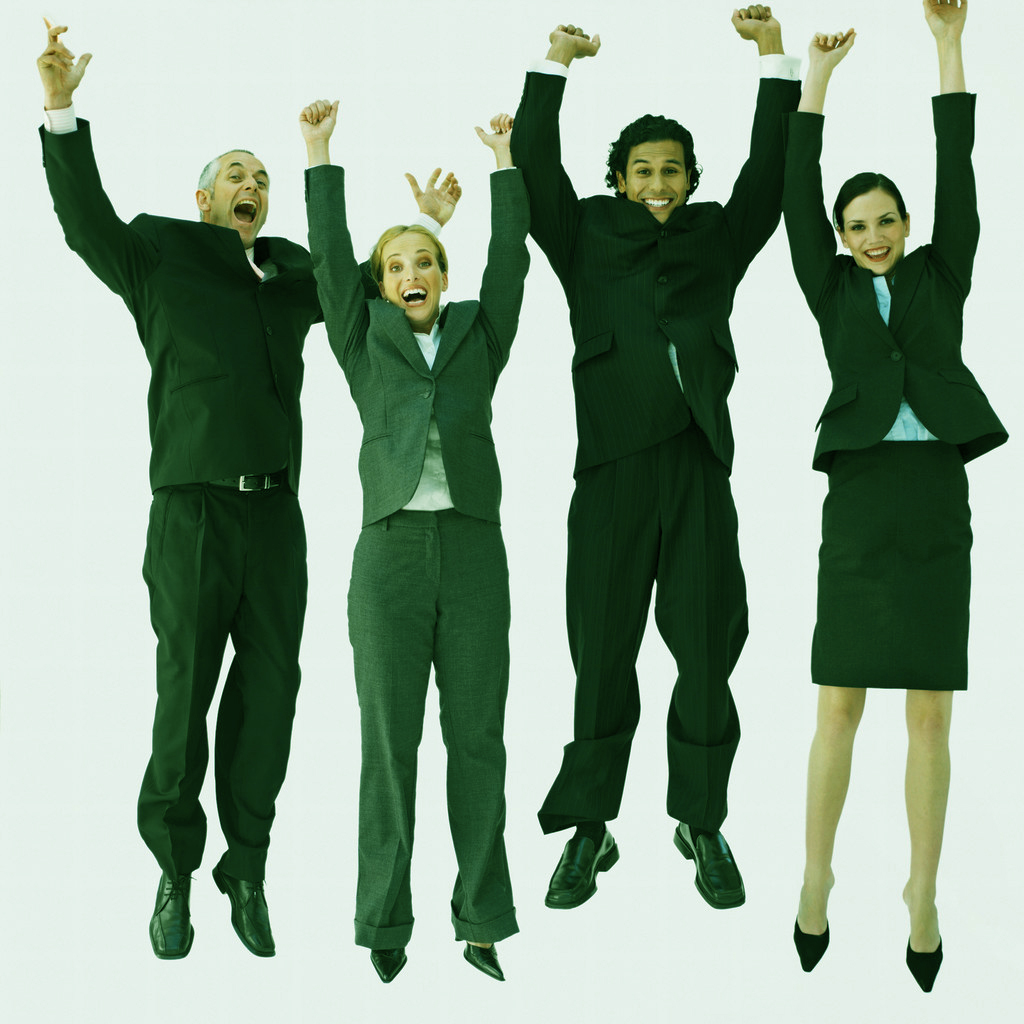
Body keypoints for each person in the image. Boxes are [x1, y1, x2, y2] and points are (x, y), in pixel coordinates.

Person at [36, 21, 458, 961]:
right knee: (185, 689)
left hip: (278, 518)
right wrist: (62, 110)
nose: (251, 186)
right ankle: (176, 872)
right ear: (202, 196)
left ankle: (249, 865)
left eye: (261, 178)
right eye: (236, 172)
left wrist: (431, 230)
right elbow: (83, 220)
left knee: (271, 690)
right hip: (189, 510)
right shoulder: (159, 255)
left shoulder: (293, 275)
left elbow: (371, 292)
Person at [509, 10, 800, 911]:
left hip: (698, 464)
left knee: (708, 645)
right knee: (602, 652)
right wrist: (553, 65)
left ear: (688, 178)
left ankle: (700, 818)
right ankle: (591, 828)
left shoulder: (718, 236)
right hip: (610, 474)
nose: (660, 182)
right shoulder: (585, 235)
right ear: (621, 181)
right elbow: (534, 168)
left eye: (673, 169)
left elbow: (769, 178)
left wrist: (772, 62)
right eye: (643, 171)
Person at [782, 0, 1006, 993]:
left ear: (907, 228)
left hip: (932, 500)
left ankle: (921, 892)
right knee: (837, 704)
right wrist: (815, 84)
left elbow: (956, 171)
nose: (871, 236)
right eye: (856, 226)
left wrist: (948, 49)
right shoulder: (827, 284)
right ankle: (816, 876)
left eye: (885, 223)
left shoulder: (939, 270)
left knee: (928, 717)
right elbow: (794, 197)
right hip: (858, 500)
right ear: (840, 235)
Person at [300, 99, 529, 983]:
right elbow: (330, 267)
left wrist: (505, 166)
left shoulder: (481, 332)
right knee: (389, 743)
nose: (412, 271)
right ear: (382, 284)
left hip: (474, 551)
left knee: (477, 740)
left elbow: (509, 264)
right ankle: (383, 921)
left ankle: (482, 919)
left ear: (443, 270)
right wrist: (319, 154)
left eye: (425, 260)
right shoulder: (363, 342)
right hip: (388, 553)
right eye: (395, 265)